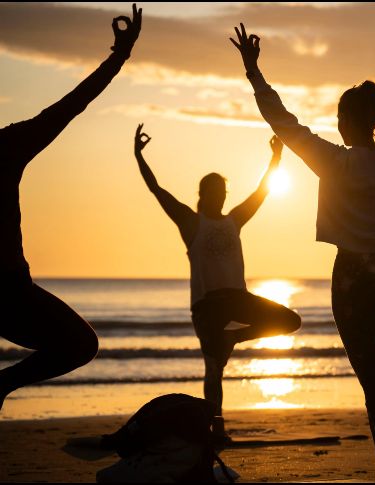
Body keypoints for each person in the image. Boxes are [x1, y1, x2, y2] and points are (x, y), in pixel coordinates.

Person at [231, 24, 375, 481]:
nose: (336, 124)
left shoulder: (332, 160)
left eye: (340, 118)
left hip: (353, 277)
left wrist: (254, 72)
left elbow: (282, 121)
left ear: (350, 123)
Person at [0, 4, 143, 411]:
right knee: (80, 343)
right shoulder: (9, 146)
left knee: (81, 343)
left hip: (11, 289)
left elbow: (70, 105)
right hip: (9, 290)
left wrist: (118, 58)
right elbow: (71, 105)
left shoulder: (9, 146)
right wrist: (119, 56)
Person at [133, 126, 301, 441]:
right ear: (204, 194)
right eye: (216, 192)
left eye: (224, 192)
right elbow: (157, 190)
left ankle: (235, 336)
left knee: (290, 320)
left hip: (238, 298)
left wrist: (276, 157)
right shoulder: (191, 222)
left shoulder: (234, 219)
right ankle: (215, 432)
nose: (222, 197)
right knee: (214, 371)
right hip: (208, 306)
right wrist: (139, 157)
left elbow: (262, 192)